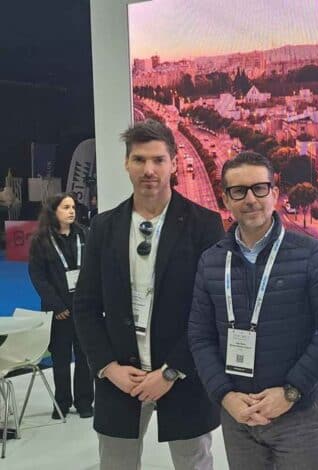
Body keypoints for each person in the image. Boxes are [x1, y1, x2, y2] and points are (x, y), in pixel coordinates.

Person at [73, 119, 224, 470]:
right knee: (116, 463)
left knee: (194, 463)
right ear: (126, 164)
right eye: (139, 160)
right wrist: (108, 367)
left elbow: (213, 309)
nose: (149, 170)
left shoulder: (204, 224)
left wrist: (171, 371)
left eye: (158, 160)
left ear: (174, 163)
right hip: (120, 377)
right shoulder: (104, 227)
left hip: (182, 375)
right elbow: (85, 306)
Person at [189, 151, 318, 469]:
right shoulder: (212, 260)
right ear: (226, 198)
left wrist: (291, 392)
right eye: (238, 191)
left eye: (259, 188)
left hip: (297, 416)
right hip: (238, 416)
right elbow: (200, 336)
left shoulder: (311, 254)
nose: (250, 199)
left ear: (274, 192)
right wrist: (225, 396)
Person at [28, 192, 93, 419]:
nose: (71, 211)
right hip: (59, 310)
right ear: (53, 211)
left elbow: (93, 269)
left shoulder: (84, 234)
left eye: (73, 207)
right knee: (61, 357)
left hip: (83, 308)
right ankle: (62, 402)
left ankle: (84, 402)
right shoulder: (41, 240)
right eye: (66, 207)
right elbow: (38, 277)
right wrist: (57, 306)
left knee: (85, 356)